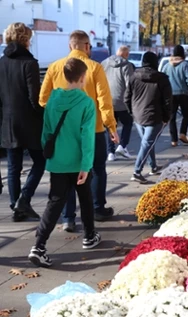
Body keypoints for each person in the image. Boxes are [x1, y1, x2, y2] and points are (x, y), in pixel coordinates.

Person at [40, 30, 118, 231]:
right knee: (97, 168)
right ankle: (97, 208)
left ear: (69, 46)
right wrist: (111, 126)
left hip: (65, 131)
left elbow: (42, 99)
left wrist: (58, 113)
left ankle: (68, 217)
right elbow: (103, 99)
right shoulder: (95, 67)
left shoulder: (55, 67)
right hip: (94, 128)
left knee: (67, 171)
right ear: (86, 46)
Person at [28, 58, 101, 268]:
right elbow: (87, 137)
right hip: (78, 162)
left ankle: (39, 245)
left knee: (55, 202)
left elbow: (46, 131)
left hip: (58, 160)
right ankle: (89, 236)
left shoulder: (52, 99)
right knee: (86, 198)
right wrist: (86, 165)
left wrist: (50, 153)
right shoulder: (86, 102)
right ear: (81, 78)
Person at [0, 22, 45, 222]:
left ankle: (15, 208)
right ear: (25, 39)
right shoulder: (29, 63)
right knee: (40, 161)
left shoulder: (1, 62)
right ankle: (24, 199)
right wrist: (44, 115)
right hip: (29, 121)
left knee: (13, 167)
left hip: (7, 121)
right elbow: (34, 98)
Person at [126, 52, 172, 184]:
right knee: (147, 143)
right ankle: (137, 171)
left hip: (138, 115)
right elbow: (168, 100)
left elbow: (126, 97)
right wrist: (166, 117)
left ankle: (153, 166)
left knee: (147, 142)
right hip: (155, 115)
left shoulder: (133, 76)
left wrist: (132, 112)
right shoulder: (162, 79)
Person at [101, 45, 134, 161]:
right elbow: (129, 85)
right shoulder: (127, 65)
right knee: (128, 123)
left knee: (110, 126)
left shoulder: (104, 63)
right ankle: (122, 146)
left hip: (107, 100)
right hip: (122, 101)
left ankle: (110, 152)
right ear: (126, 54)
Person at [162, 45, 188, 147]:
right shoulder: (184, 65)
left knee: (172, 117)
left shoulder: (167, 65)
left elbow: (162, 78)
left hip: (170, 94)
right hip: (183, 93)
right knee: (186, 115)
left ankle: (173, 140)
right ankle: (183, 133)